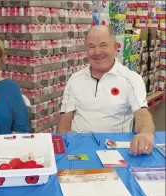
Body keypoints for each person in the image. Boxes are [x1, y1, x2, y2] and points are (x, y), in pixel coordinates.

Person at [57, 25, 155, 156]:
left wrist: (146, 133)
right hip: (79, 150)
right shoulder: (75, 80)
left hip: (114, 150)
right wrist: (63, 153)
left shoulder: (131, 79)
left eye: (103, 45)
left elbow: (142, 115)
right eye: (91, 46)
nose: (97, 52)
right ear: (86, 50)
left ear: (115, 47)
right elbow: (65, 122)